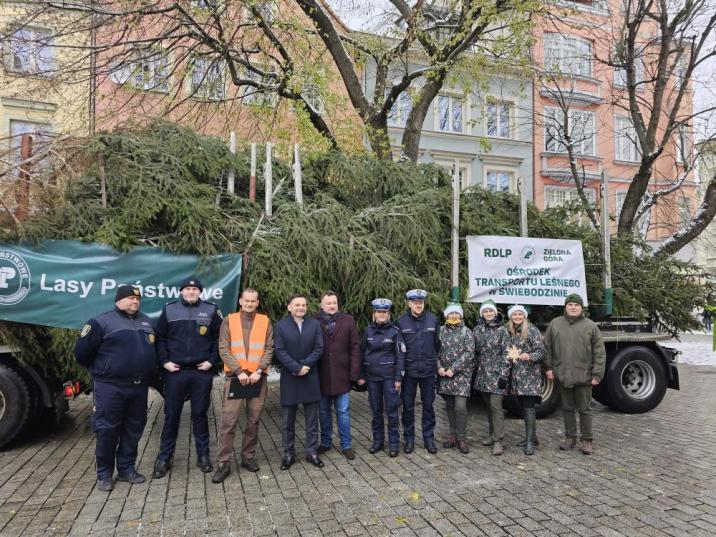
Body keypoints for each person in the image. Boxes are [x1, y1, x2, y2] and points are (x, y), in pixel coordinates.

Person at [74, 285, 157, 492]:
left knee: (133, 429)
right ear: (118, 300)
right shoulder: (100, 322)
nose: (135, 302)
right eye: (130, 298)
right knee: (107, 430)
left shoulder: (146, 321)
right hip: (110, 388)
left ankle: (127, 469)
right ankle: (104, 474)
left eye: (137, 299)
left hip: (138, 388)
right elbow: (82, 354)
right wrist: (105, 369)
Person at [153, 277, 223, 479]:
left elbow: (220, 338)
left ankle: (203, 456)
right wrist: (164, 361)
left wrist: (212, 360)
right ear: (181, 292)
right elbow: (161, 338)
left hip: (201, 371)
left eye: (195, 289)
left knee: (200, 414)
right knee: (172, 415)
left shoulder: (211, 310)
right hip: (176, 371)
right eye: (188, 289)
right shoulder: (169, 310)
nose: (191, 292)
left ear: (200, 292)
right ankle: (164, 458)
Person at [211, 288, 274, 483]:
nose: (249, 303)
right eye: (246, 300)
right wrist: (239, 371)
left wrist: (258, 371)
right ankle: (224, 463)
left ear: (257, 302)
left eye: (253, 301)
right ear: (240, 301)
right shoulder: (229, 320)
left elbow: (269, 348)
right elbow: (223, 348)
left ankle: (248, 456)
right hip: (235, 378)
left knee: (253, 420)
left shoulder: (265, 321)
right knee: (228, 421)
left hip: (257, 378)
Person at [544, 294, 606, 455]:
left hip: (584, 376)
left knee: (585, 409)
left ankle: (587, 440)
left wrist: (597, 374)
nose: (573, 307)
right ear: (565, 307)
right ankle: (570, 438)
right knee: (567, 408)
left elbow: (599, 353)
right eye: (570, 304)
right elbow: (547, 348)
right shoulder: (555, 324)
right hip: (563, 375)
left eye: (576, 305)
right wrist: (549, 368)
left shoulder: (591, 326)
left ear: (581, 307)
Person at [274, 294, 325, 470]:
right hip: (290, 377)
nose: (301, 308)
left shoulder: (315, 324)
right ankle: (289, 454)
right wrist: (296, 368)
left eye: (303, 305)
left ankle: (312, 452)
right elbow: (279, 351)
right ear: (289, 307)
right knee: (288, 420)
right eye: (297, 305)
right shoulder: (280, 326)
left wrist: (305, 365)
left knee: (312, 419)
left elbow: (319, 348)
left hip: (310, 375)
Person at [315, 291, 361, 460]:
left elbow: (355, 348)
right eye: (328, 303)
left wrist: (354, 373)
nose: (332, 306)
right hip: (321, 376)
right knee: (324, 412)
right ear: (321, 305)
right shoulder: (313, 321)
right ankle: (326, 442)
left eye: (334, 302)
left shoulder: (348, 321)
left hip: (342, 375)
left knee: (343, 412)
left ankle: (346, 445)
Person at [357, 298, 405, 457]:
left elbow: (400, 357)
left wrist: (398, 378)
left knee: (391, 411)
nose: (381, 314)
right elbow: (362, 353)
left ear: (388, 314)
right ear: (374, 313)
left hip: (389, 378)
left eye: (384, 312)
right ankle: (378, 441)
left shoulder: (395, 332)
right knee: (376, 411)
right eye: (379, 312)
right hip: (372, 379)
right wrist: (362, 375)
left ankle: (393, 444)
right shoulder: (367, 331)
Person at [395, 289, 440, 454]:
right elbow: (398, 349)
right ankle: (409, 440)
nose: (418, 305)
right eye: (415, 302)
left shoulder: (433, 320)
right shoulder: (400, 322)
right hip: (409, 372)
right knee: (407, 407)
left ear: (424, 303)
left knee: (428, 406)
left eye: (420, 302)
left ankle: (429, 439)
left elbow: (437, 345)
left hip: (428, 371)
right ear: (409, 303)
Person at [503, 305, 545, 456]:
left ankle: (529, 442)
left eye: (520, 314)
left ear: (524, 315)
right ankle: (532, 437)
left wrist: (530, 356)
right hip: (516, 376)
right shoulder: (510, 331)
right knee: (522, 406)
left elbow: (541, 351)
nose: (518, 316)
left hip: (529, 376)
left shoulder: (531, 329)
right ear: (511, 316)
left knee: (528, 406)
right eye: (515, 314)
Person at [437, 303, 475, 454]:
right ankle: (452, 435)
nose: (454, 316)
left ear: (461, 316)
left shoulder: (467, 332)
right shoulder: (440, 331)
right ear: (447, 315)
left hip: (461, 376)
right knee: (450, 407)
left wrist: (454, 369)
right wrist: (439, 367)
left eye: (456, 313)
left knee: (460, 407)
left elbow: (469, 353)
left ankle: (462, 438)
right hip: (444, 375)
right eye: (451, 313)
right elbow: (434, 351)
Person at [473, 300, 508, 456]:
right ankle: (491, 434)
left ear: (495, 313)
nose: (488, 313)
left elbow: (507, 354)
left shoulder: (502, 331)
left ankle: (498, 440)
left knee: (496, 407)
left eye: (490, 311)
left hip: (497, 375)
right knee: (488, 407)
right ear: (482, 314)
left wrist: (504, 375)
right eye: (485, 311)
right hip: (482, 375)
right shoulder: (477, 329)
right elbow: (474, 351)